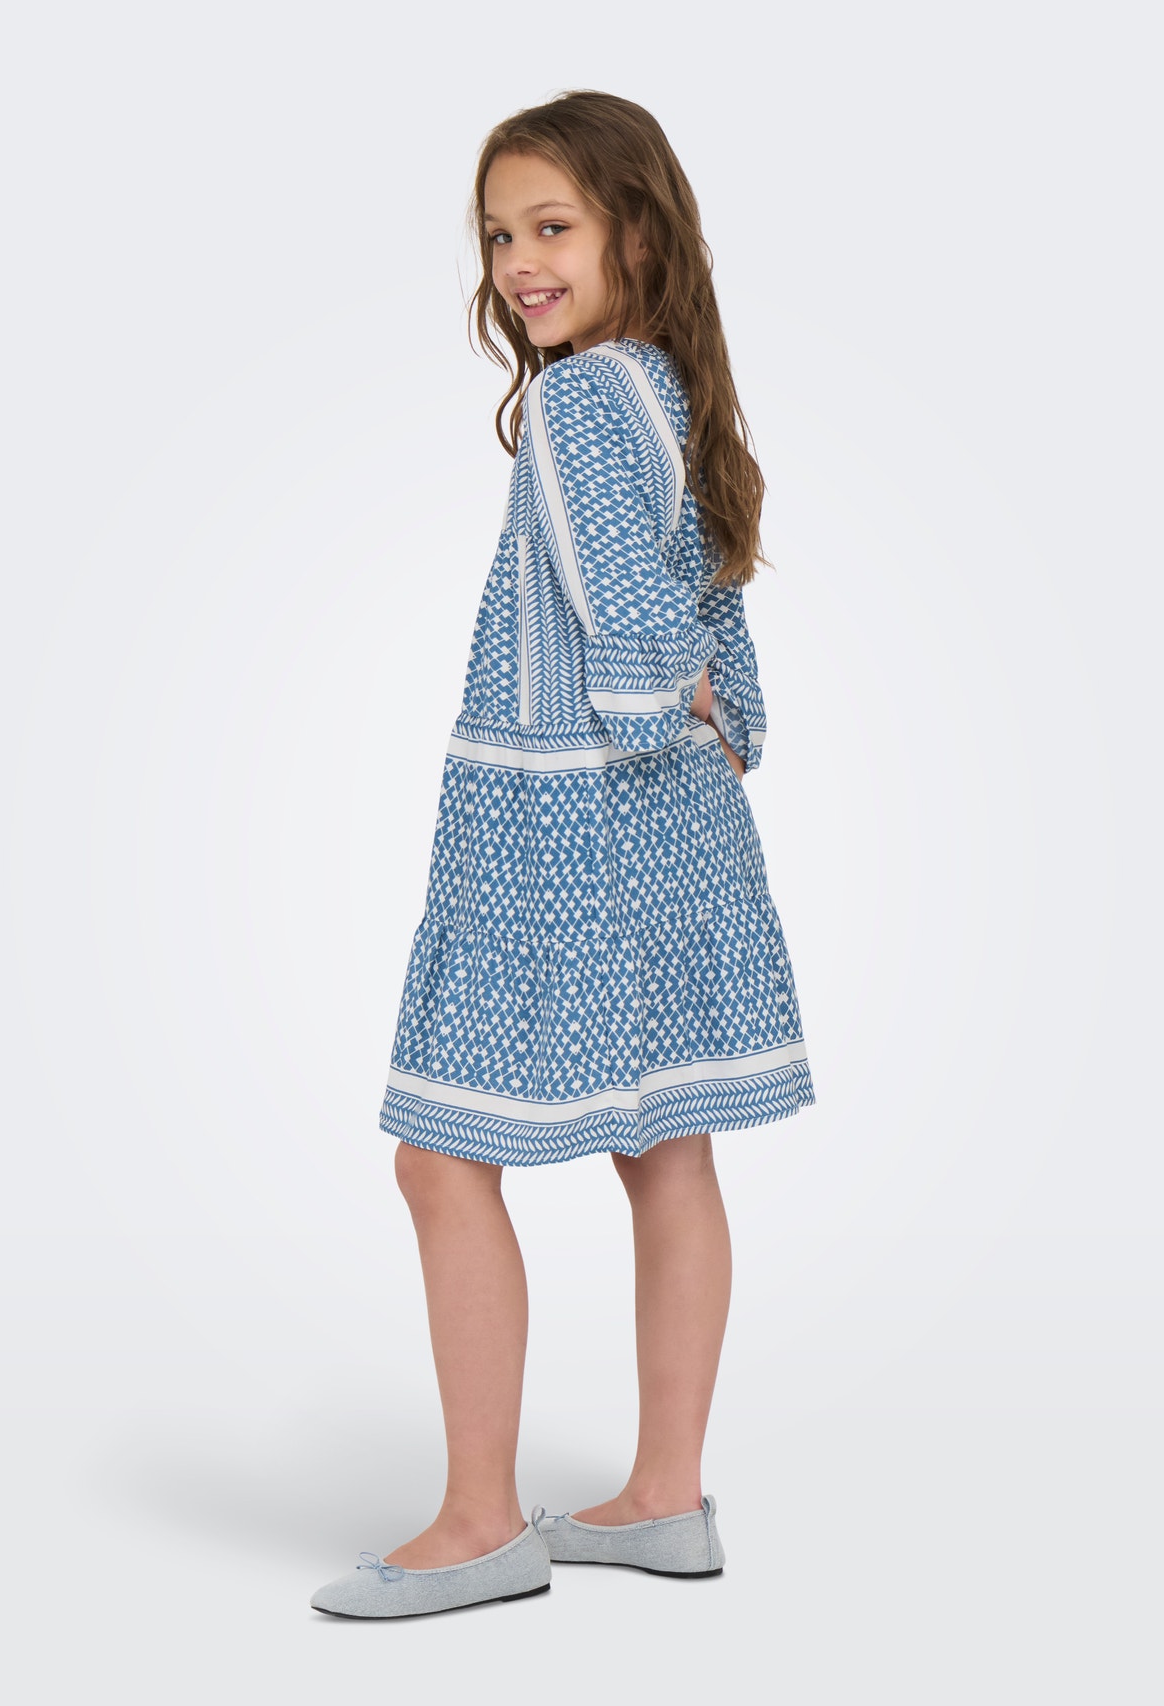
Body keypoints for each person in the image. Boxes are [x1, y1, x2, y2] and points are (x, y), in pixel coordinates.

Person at [310, 89, 816, 1621]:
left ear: (635, 234)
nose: (519, 262)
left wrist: (667, 694)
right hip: (678, 818)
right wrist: (719, 716)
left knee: (439, 1153)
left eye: (552, 227)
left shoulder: (585, 400)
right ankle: (665, 1495)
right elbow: (712, 600)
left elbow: (633, 615)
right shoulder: (671, 387)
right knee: (668, 1147)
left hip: (564, 818)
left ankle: (480, 1519)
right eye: (498, 236)